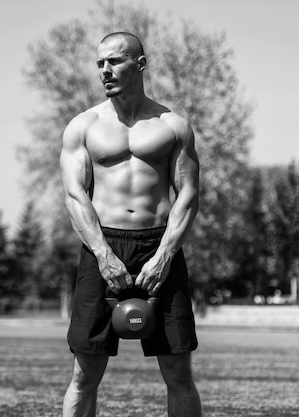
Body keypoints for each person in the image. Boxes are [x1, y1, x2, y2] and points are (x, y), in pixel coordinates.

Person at [59, 32, 202, 417]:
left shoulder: (173, 126)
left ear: (139, 65)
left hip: (160, 246)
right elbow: (75, 197)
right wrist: (103, 255)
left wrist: (164, 257)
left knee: (178, 373)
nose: (105, 70)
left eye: (115, 61)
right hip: (101, 245)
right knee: (84, 374)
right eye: (100, 63)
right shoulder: (84, 126)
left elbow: (187, 195)